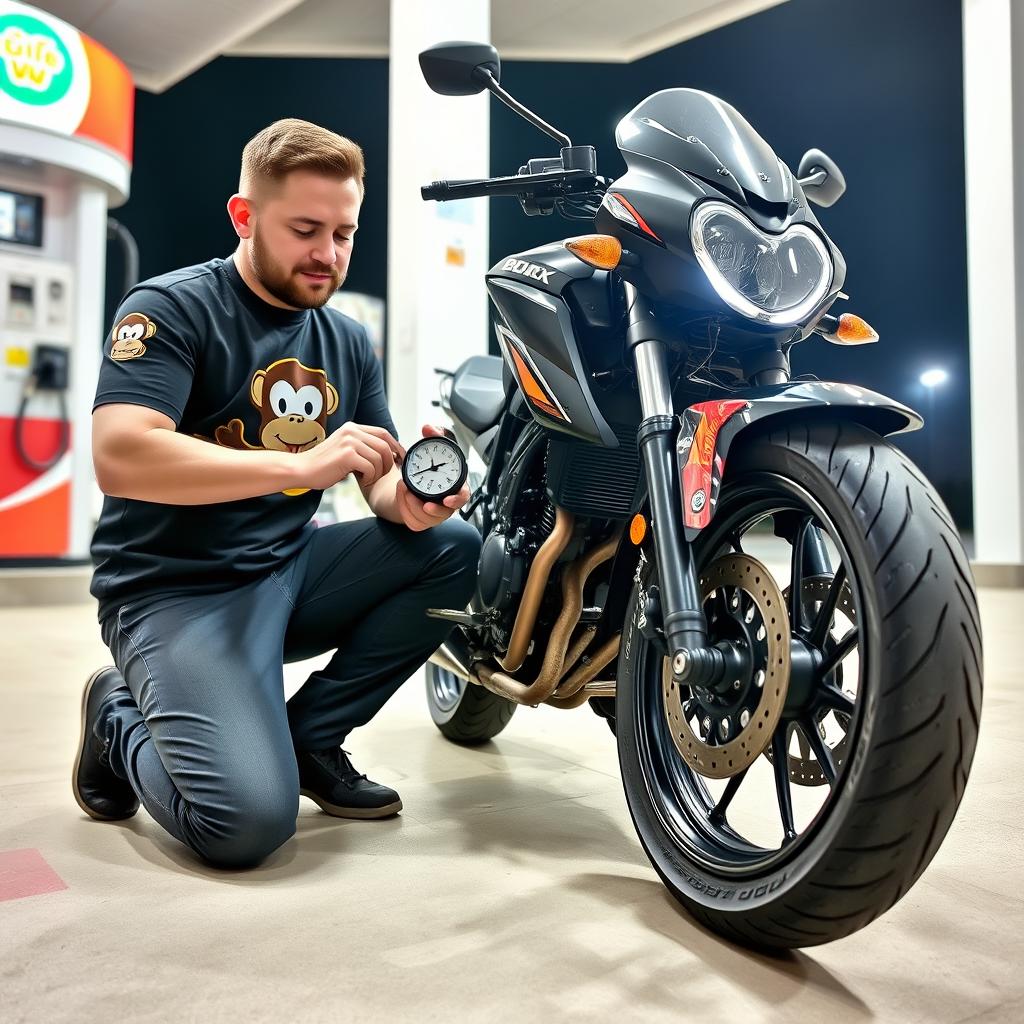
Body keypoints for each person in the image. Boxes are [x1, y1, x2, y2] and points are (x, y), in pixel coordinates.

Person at [72, 118, 481, 869]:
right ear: (245, 216)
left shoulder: (348, 341)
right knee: (246, 825)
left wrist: (413, 499)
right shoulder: (170, 308)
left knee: (454, 549)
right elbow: (122, 454)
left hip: (285, 573)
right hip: (172, 591)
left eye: (344, 232)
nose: (328, 253)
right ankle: (116, 716)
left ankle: (311, 741)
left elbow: (378, 476)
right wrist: (297, 467)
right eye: (304, 229)